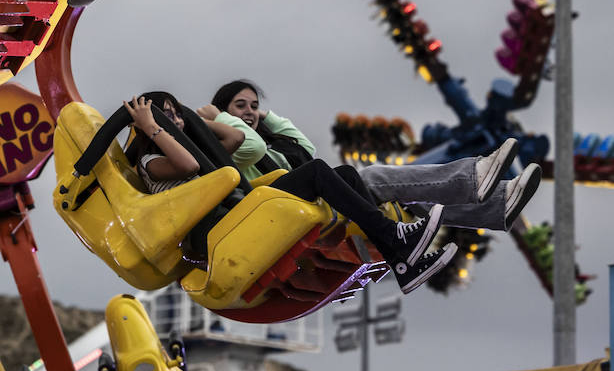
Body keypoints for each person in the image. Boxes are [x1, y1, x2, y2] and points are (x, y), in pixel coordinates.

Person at [122, 91, 458, 294]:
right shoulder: (151, 161)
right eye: (166, 115)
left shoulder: (192, 146)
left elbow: (235, 141)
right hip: (216, 230)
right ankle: (396, 239)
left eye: (176, 113)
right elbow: (188, 167)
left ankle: (400, 260)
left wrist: (198, 122)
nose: (176, 120)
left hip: (238, 212)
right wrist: (150, 125)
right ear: (148, 124)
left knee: (344, 175)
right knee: (314, 172)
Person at [208, 79, 543, 232]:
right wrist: (219, 119)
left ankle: (496, 207)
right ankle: (472, 177)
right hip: (285, 213)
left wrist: (266, 117)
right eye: (241, 106)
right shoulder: (232, 144)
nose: (251, 112)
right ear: (224, 114)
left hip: (313, 202)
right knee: (375, 176)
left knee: (408, 200)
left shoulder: (261, 133)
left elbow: (305, 150)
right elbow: (253, 146)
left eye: (254, 105)